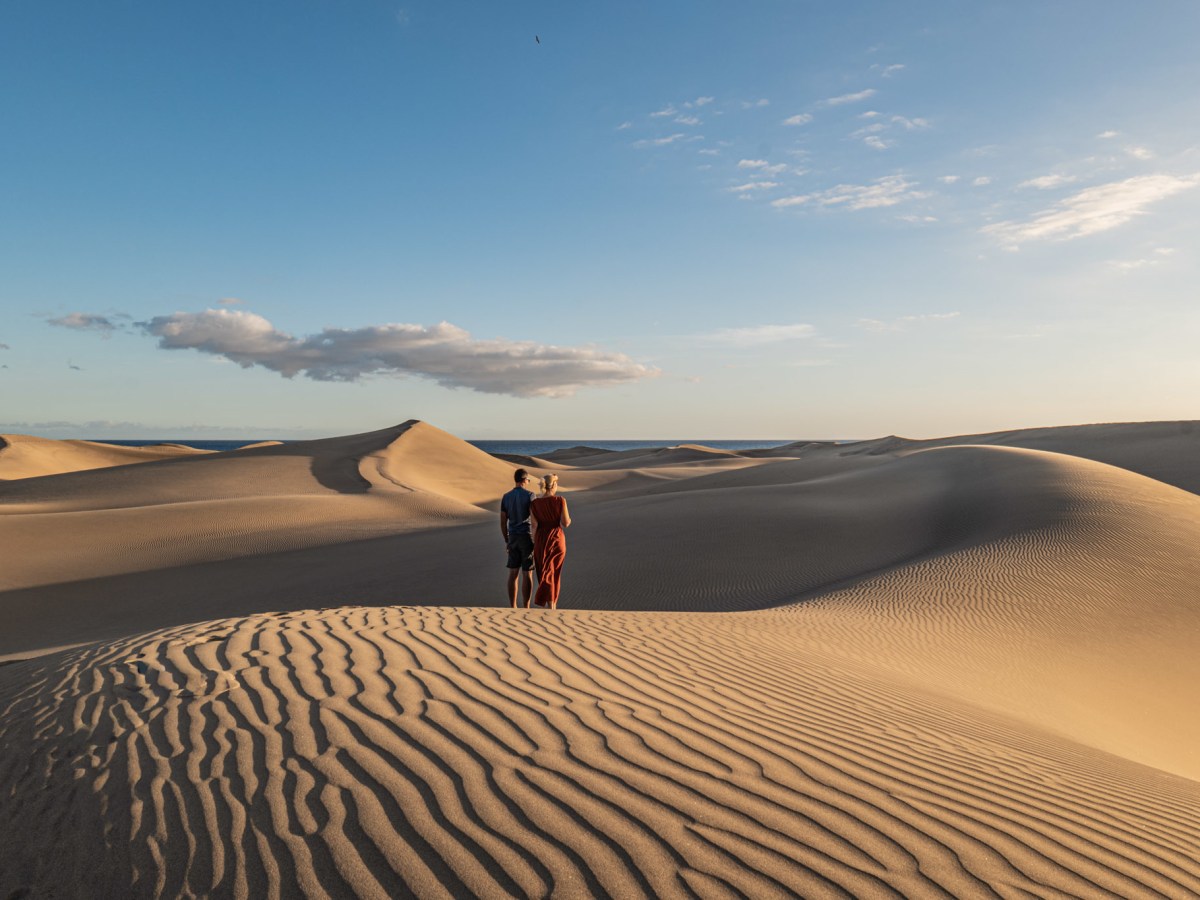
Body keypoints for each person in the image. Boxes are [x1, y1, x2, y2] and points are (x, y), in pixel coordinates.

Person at [530, 473, 571, 608]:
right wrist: (569, 519)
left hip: (541, 540)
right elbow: (565, 523)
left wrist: (534, 543)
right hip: (557, 539)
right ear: (553, 485)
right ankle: (553, 605)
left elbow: (534, 526)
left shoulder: (534, 504)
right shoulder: (560, 500)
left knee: (545, 572)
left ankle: (550, 604)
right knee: (555, 573)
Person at [500, 468, 536, 608]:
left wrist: (507, 540)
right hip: (526, 536)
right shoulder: (530, 495)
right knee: (527, 573)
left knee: (513, 572)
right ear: (524, 480)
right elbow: (534, 519)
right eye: (528, 480)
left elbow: (503, 521)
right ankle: (526, 606)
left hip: (513, 537)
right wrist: (535, 539)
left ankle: (513, 606)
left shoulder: (506, 497)